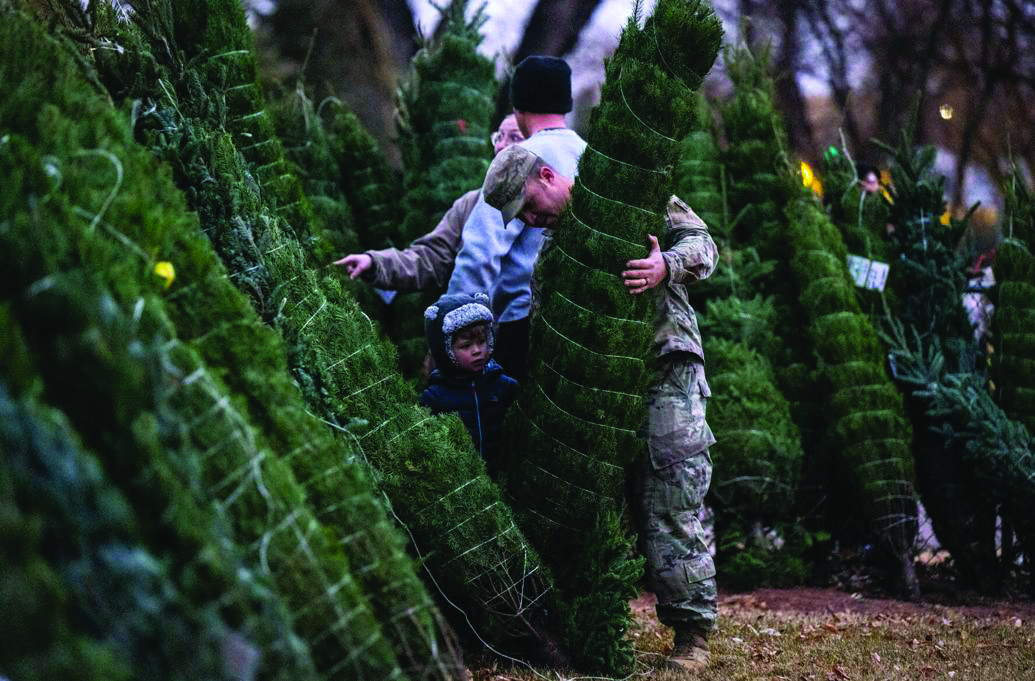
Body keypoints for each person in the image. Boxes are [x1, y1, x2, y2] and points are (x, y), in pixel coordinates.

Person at [483, 145, 720, 672]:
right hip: (603, 396)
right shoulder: (554, 257)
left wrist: (666, 264)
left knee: (671, 495)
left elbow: (705, 244)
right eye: (519, 218)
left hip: (665, 367)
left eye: (527, 205)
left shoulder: (630, 196)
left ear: (547, 175)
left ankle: (692, 636)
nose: (528, 220)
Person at [446, 55, 587, 382]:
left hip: (519, 327)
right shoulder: (589, 156)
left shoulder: (516, 164)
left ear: (518, 109)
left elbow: (479, 253)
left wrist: (454, 330)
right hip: (576, 323)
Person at [332, 114, 525, 290]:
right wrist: (375, 263)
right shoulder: (471, 204)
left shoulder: (548, 207)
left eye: (515, 138)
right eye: (498, 137)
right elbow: (433, 258)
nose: (501, 146)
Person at [420, 292, 520, 475]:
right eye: (466, 345)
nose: (477, 351)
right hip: (462, 481)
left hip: (501, 477)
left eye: (482, 342)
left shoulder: (504, 387)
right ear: (445, 350)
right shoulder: (435, 398)